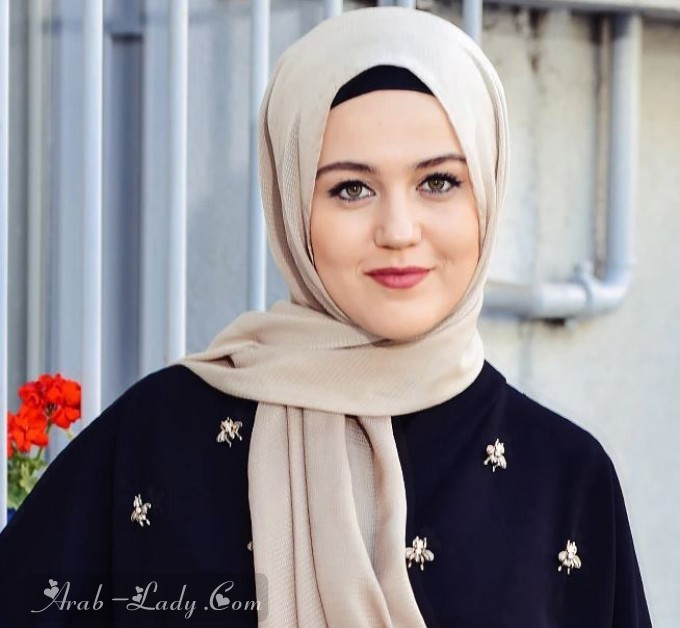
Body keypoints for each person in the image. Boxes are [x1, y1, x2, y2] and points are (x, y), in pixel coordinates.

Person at [0, 6, 651, 627]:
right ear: (291, 206)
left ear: (488, 187)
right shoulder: (158, 439)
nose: (398, 230)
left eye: (438, 182)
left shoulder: (566, 479)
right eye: (351, 188)